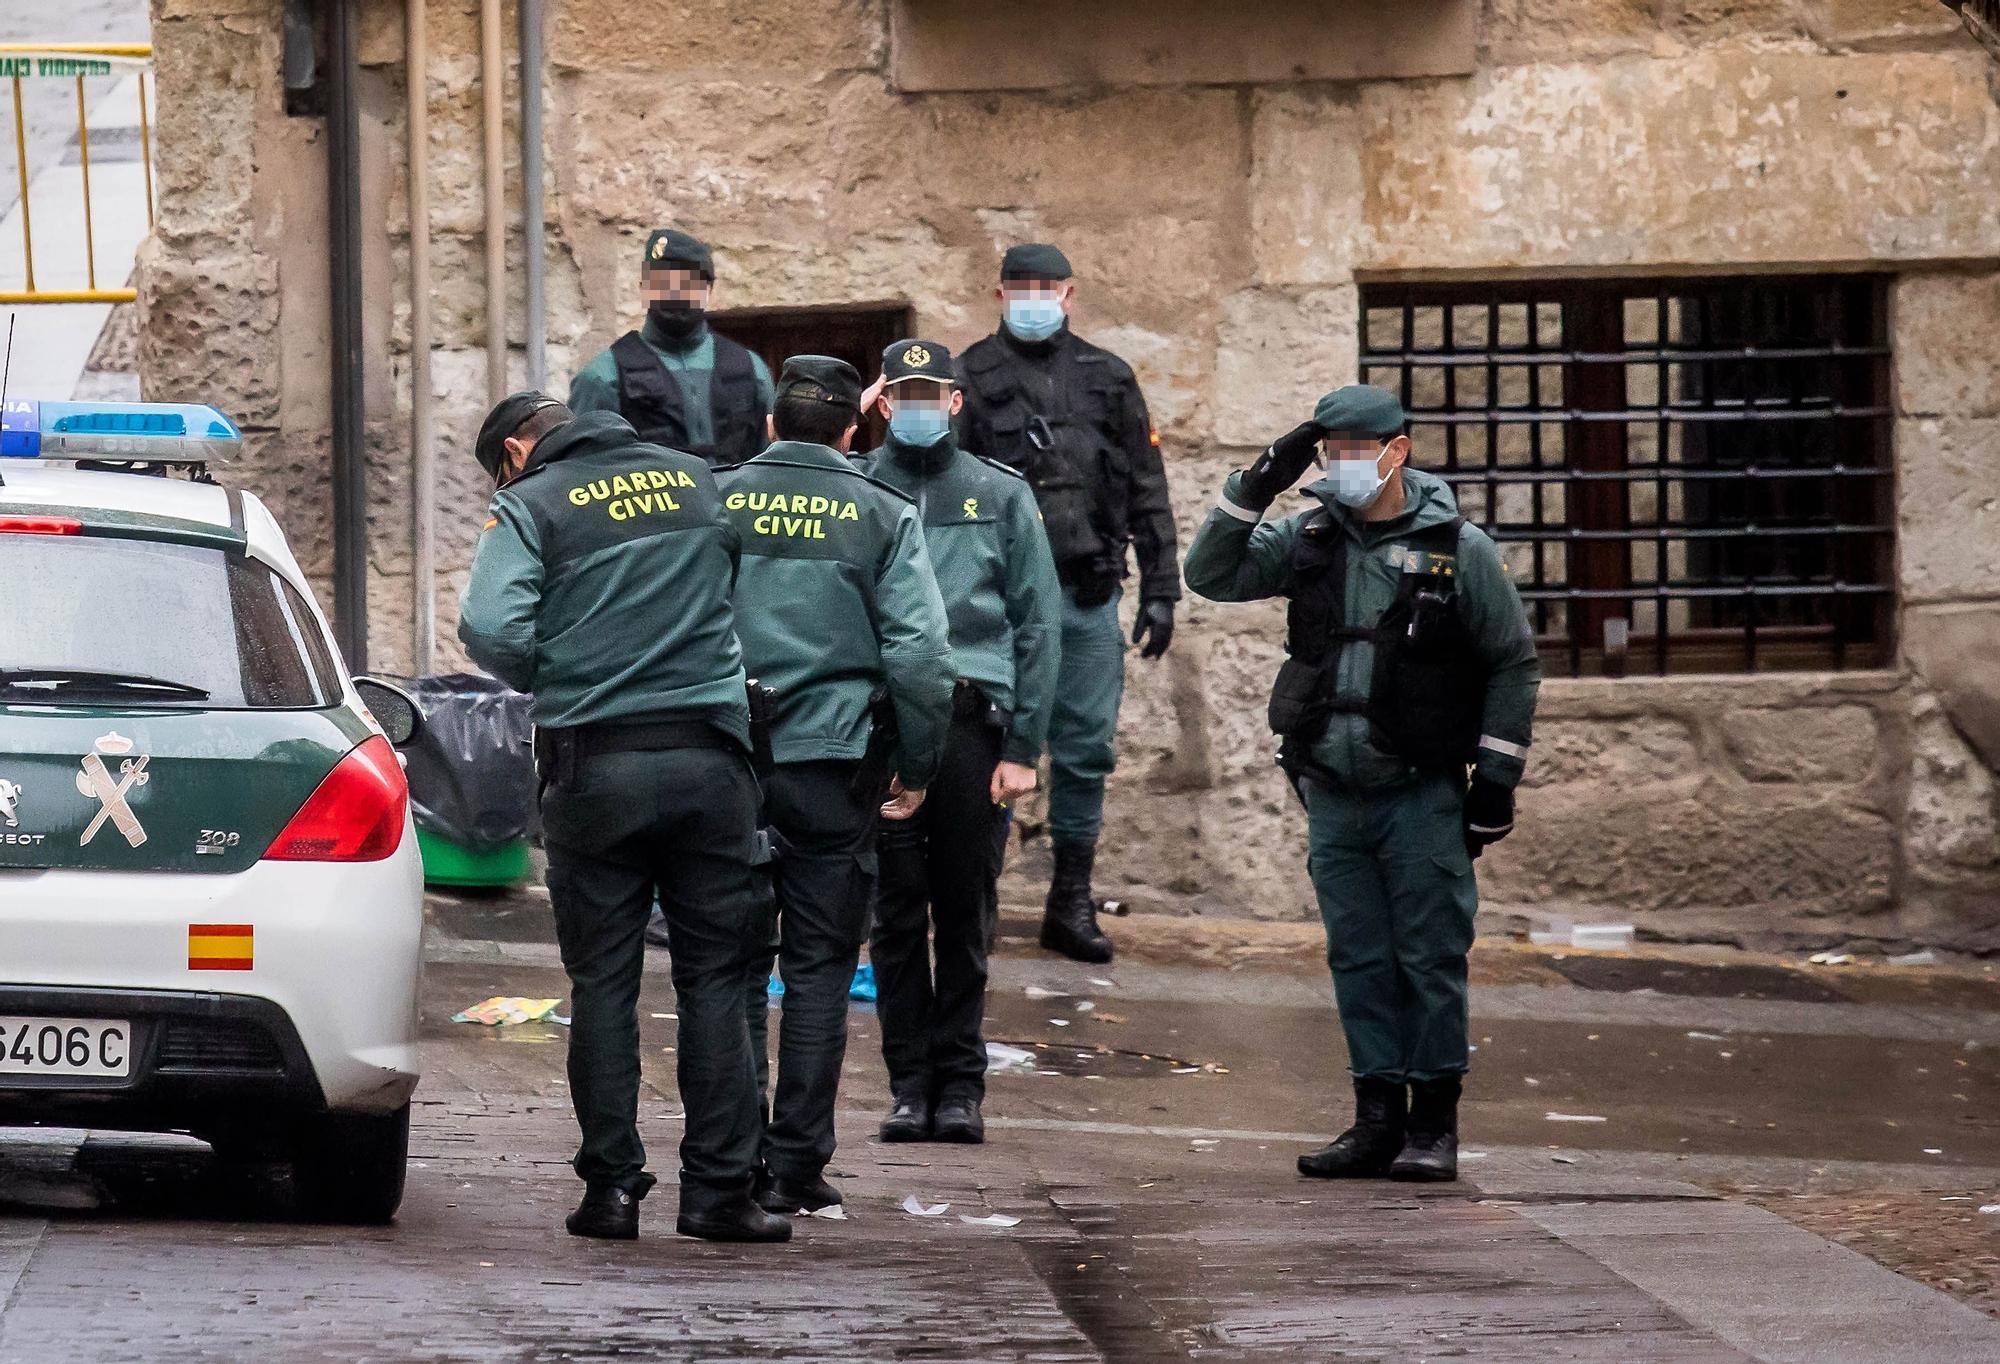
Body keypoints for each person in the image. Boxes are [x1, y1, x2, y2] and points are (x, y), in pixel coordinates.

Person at [1182, 385, 1540, 1183]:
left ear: (1397, 450)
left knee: (1429, 957)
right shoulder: (1308, 535)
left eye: (1356, 448)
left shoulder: (1456, 544)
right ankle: (1375, 1119)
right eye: (1329, 448)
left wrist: (1498, 778)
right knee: (1359, 958)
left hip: (1419, 790)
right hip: (1334, 794)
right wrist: (1252, 487)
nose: (1341, 463)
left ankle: (1433, 1124)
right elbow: (1208, 574)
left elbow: (1511, 661)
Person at [458, 391, 790, 1244]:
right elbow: (740, 584)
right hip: (711, 765)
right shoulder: (697, 480)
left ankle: (612, 1192)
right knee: (716, 979)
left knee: (602, 983)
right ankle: (719, 1194)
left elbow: (490, 628)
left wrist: (569, 658)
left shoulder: (529, 504)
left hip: (595, 768)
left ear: (520, 448)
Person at [713, 355, 957, 1216]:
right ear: (855, 431)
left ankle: (728, 1162)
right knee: (818, 969)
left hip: (728, 762)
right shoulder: (883, 512)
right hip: (835, 763)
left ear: (772, 424)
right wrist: (918, 765)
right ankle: (794, 1166)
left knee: (731, 968)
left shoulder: (716, 496)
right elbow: (923, 658)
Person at [858, 338, 1062, 1144]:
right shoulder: (858, 485)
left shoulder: (997, 493)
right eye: (900, 393)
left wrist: (1025, 747)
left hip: (972, 721)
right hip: (883, 723)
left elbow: (1038, 622)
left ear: (953, 402)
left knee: (966, 910)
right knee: (896, 915)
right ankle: (910, 1085)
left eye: (928, 393)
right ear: (884, 401)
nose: (915, 406)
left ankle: (961, 1087)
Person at [954, 242, 1180, 965]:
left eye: (1046, 286)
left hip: (1085, 595)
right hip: (998, 604)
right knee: (991, 747)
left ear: (1070, 292)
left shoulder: (1108, 377)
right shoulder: (969, 376)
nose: (1033, 296)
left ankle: (1069, 902)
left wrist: (1163, 585)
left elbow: (1146, 483)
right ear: (999, 295)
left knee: (1085, 753)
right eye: (1020, 286)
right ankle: (977, 897)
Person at [568, 228, 775, 467]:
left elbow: (770, 468)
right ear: (643, 288)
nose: (675, 292)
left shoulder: (750, 369)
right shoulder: (603, 377)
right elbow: (581, 475)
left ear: (708, 290)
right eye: (663, 282)